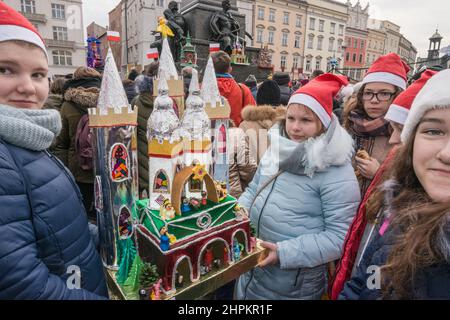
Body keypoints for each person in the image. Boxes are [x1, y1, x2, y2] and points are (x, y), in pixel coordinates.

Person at [0, 2, 107, 299]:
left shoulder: (29, 135)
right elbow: (24, 286)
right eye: (5, 69)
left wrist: (109, 235)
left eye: (37, 74)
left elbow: (57, 224)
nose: (28, 88)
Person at [235, 74, 361, 300]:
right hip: (252, 267)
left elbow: (339, 237)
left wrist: (284, 254)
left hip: (292, 283)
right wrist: (239, 214)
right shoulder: (277, 149)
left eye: (306, 120)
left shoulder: (337, 171)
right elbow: (253, 190)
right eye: (290, 118)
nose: (294, 127)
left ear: (323, 125)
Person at [340, 69, 450, 299]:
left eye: (400, 129)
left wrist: (377, 173)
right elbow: (368, 278)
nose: (393, 138)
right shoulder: (401, 204)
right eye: (434, 131)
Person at [343, 53, 409, 195]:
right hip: (344, 208)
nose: (374, 100)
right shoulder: (350, 123)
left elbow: (411, 190)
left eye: (384, 93)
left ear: (397, 96)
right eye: (368, 93)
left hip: (378, 212)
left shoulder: (403, 135)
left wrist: (379, 175)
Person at [53, 66, 102, 222]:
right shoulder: (108, 100)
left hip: (79, 168)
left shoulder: (67, 105)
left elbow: (61, 143)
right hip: (105, 166)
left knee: (82, 210)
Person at [211, 51, 256, 126]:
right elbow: (252, 117)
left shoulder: (200, 89)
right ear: (230, 69)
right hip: (235, 135)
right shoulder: (243, 90)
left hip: (207, 136)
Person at [131, 73, 154, 198]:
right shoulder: (167, 102)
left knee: (142, 187)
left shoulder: (135, 101)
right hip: (160, 150)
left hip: (140, 153)